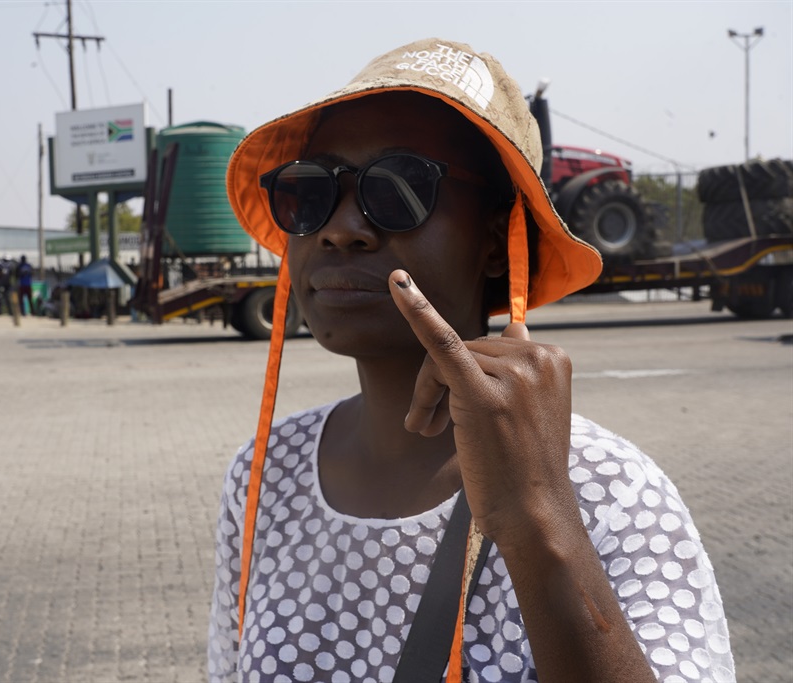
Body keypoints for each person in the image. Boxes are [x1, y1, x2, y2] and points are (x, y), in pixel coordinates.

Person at [208, 38, 734, 683]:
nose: (340, 228)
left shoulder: (612, 489)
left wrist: (539, 515)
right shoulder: (264, 473)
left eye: (398, 188)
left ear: (492, 240)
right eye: (308, 192)